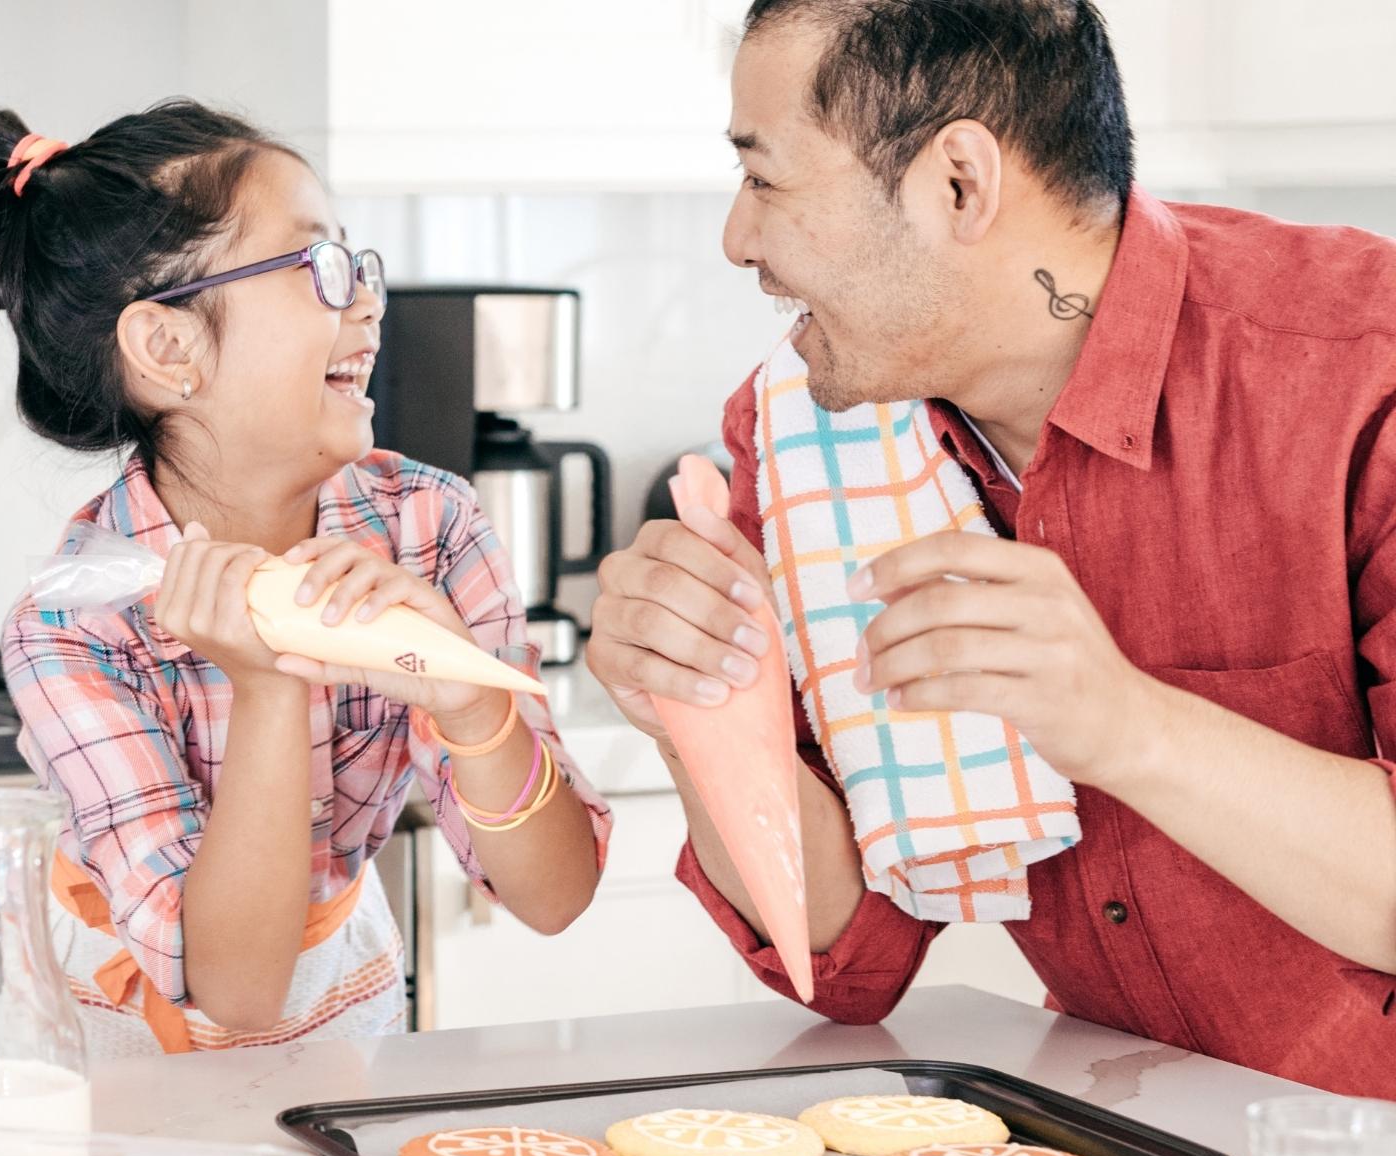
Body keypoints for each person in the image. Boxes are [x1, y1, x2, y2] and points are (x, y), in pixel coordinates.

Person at [586, 0, 1396, 1096]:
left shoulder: (1358, 372)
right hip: (1143, 1141)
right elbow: (845, 959)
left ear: (956, 182)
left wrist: (1119, 722)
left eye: (765, 179)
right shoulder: (804, 441)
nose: (737, 240)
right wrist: (692, 704)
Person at [0, 100, 611, 1058]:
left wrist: (476, 712)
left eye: (359, 261)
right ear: (169, 347)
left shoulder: (430, 528)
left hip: (348, 1009)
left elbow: (556, 899)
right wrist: (269, 687)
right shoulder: (76, 627)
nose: (368, 300)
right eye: (319, 266)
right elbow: (237, 990)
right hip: (129, 1066)